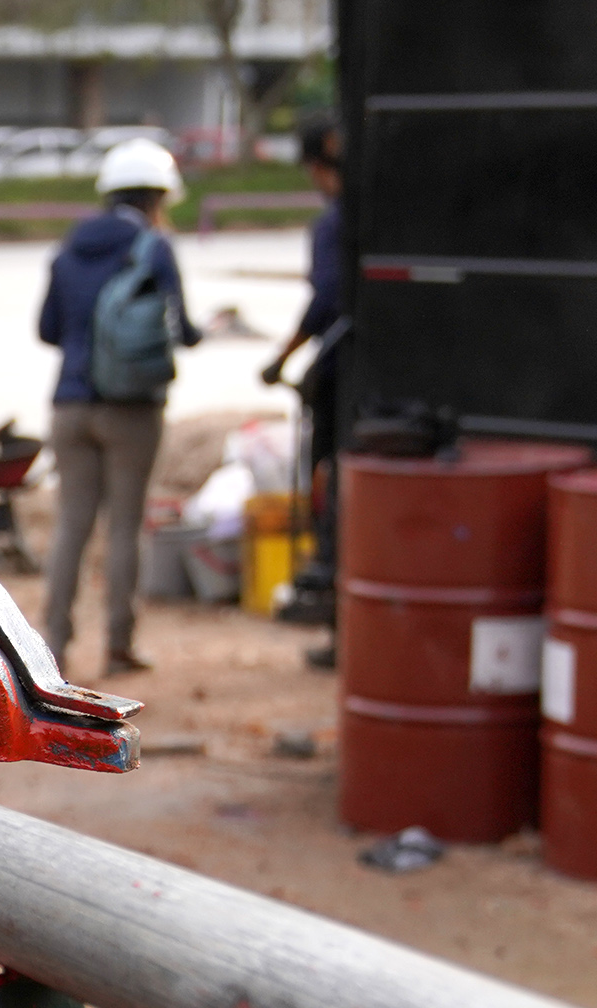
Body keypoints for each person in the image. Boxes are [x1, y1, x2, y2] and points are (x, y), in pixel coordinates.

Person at [37, 136, 199, 676]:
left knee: (70, 526)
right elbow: (185, 328)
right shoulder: (153, 247)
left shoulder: (68, 247)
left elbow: (48, 330)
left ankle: (52, 647)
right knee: (126, 526)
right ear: (158, 197)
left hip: (69, 405)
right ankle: (120, 645)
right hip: (131, 408)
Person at [261, 116, 344, 646]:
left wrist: (281, 359)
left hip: (344, 374)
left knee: (330, 481)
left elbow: (326, 301)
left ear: (316, 167)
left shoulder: (334, 225)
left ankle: (331, 590)